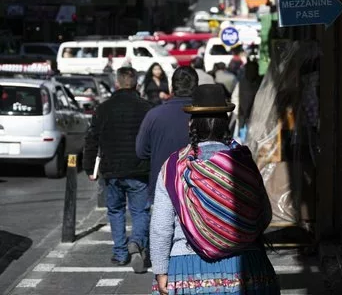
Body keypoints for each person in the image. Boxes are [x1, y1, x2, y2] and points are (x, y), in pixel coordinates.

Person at [150, 84, 280, 295]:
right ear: (226, 123)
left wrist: (160, 270)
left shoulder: (174, 166)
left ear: (191, 124)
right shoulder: (244, 162)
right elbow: (264, 214)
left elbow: (161, 227)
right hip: (245, 264)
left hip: (187, 266)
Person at [83, 67, 153, 273]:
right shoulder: (146, 108)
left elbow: (91, 139)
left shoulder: (103, 109)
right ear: (136, 85)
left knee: (115, 210)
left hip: (111, 169)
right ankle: (137, 243)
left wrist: (89, 167)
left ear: (116, 84)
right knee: (140, 210)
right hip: (139, 168)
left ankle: (120, 253)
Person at [136, 66, 198, 202]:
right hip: (195, 189)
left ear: (172, 87)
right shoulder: (203, 117)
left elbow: (141, 151)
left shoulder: (153, 115)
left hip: (163, 187)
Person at [231, 61, 262, 142]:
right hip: (243, 117)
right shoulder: (241, 83)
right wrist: (237, 112)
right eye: (249, 70)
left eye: (253, 70)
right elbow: (235, 98)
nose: (251, 72)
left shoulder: (261, 82)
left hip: (258, 118)